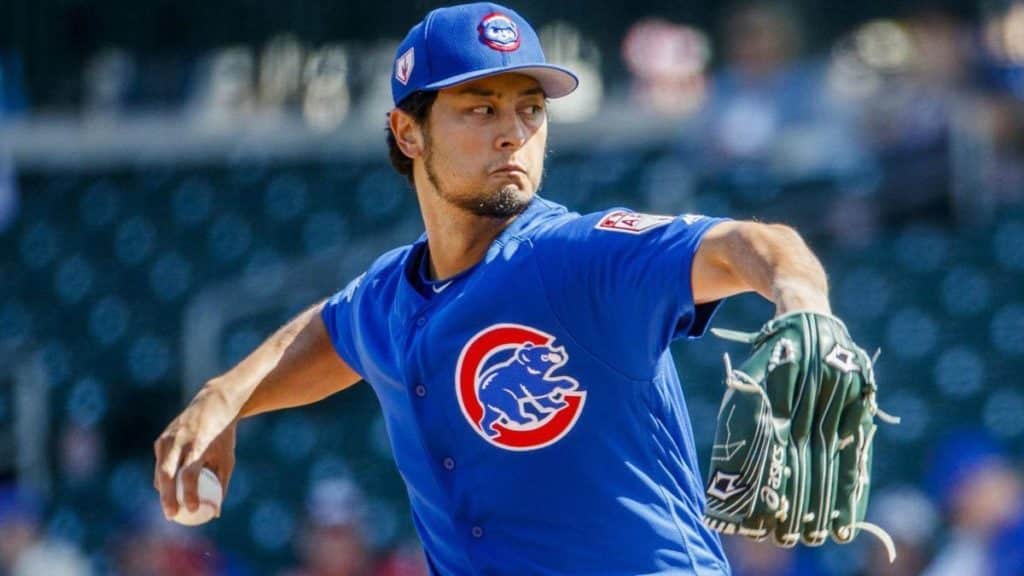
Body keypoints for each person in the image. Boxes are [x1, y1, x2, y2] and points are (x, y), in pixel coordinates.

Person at [154, 3, 840, 574]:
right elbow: (331, 336)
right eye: (480, 109)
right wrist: (226, 398)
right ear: (407, 131)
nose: (513, 132)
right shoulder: (391, 294)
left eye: (530, 108)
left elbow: (750, 244)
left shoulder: (577, 254)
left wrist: (803, 303)